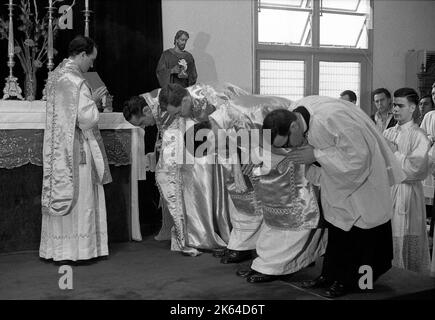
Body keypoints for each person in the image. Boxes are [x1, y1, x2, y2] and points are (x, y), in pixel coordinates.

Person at [278, 96, 404, 298]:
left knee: (361, 238)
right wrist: (311, 160)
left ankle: (356, 282)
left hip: (362, 183)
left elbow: (358, 158)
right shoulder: (296, 112)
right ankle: (330, 275)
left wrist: (316, 156)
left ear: (293, 127)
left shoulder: (332, 118)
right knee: (338, 233)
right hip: (337, 186)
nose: (290, 148)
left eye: (287, 143)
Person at [40, 35, 112, 263]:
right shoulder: (76, 81)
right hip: (76, 148)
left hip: (57, 149)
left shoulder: (55, 76)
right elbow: (86, 119)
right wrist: (94, 99)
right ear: (82, 55)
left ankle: (58, 250)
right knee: (82, 198)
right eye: (90, 59)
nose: (91, 64)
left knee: (61, 193)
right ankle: (80, 250)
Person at [236, 109, 327, 283]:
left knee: (295, 219)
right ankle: (267, 262)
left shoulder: (320, 124)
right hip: (282, 181)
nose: (286, 146)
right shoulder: (281, 122)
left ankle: (278, 265)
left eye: (285, 142)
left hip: (306, 184)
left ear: (294, 127)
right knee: (274, 218)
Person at [384, 88, 431, 275]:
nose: (395, 109)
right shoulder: (387, 133)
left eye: (400, 105)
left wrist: (394, 153)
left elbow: (417, 169)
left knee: (405, 237)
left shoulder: (419, 135)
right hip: (388, 191)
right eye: (394, 104)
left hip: (408, 193)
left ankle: (408, 279)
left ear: (412, 108)